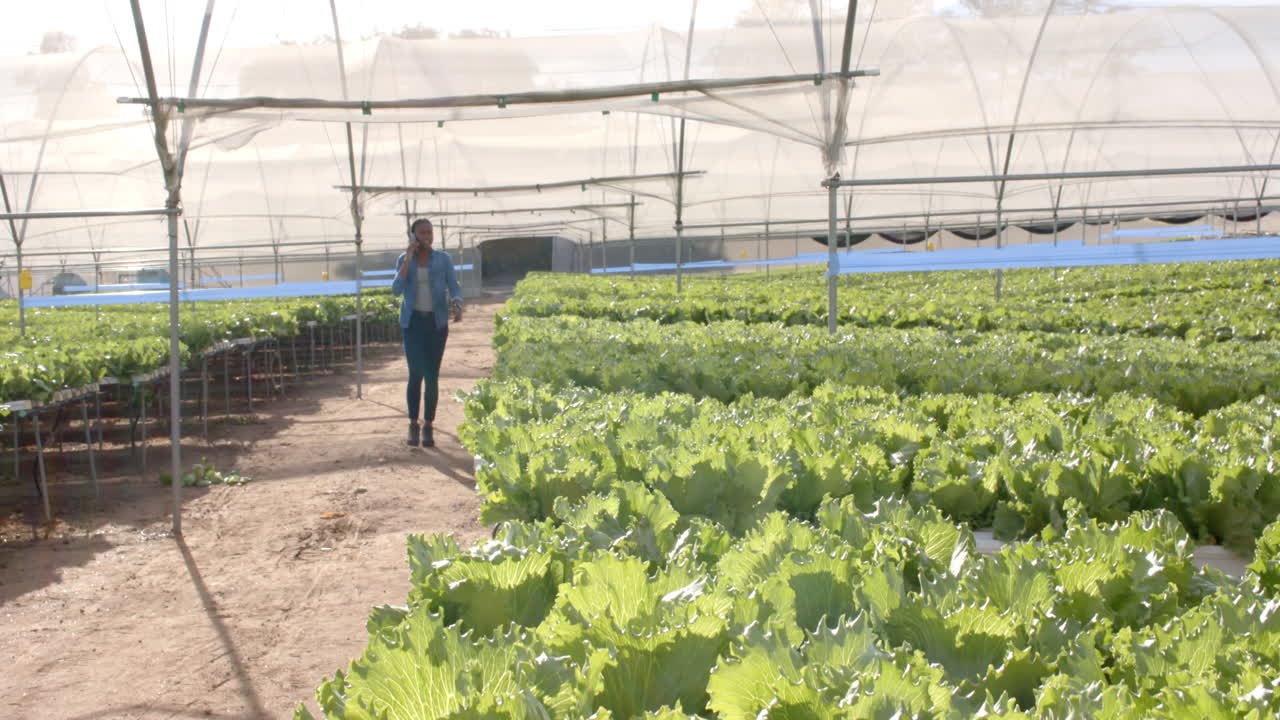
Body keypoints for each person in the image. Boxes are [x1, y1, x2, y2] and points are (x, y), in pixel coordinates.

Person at [391, 218, 463, 447]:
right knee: (416, 374)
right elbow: (396, 290)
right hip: (413, 325)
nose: (427, 236)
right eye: (422, 233)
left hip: (436, 324)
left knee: (432, 376)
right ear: (413, 236)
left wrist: (457, 302)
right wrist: (409, 258)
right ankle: (413, 423)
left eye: (429, 232)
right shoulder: (404, 260)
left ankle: (428, 425)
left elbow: (454, 285)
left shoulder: (443, 259)